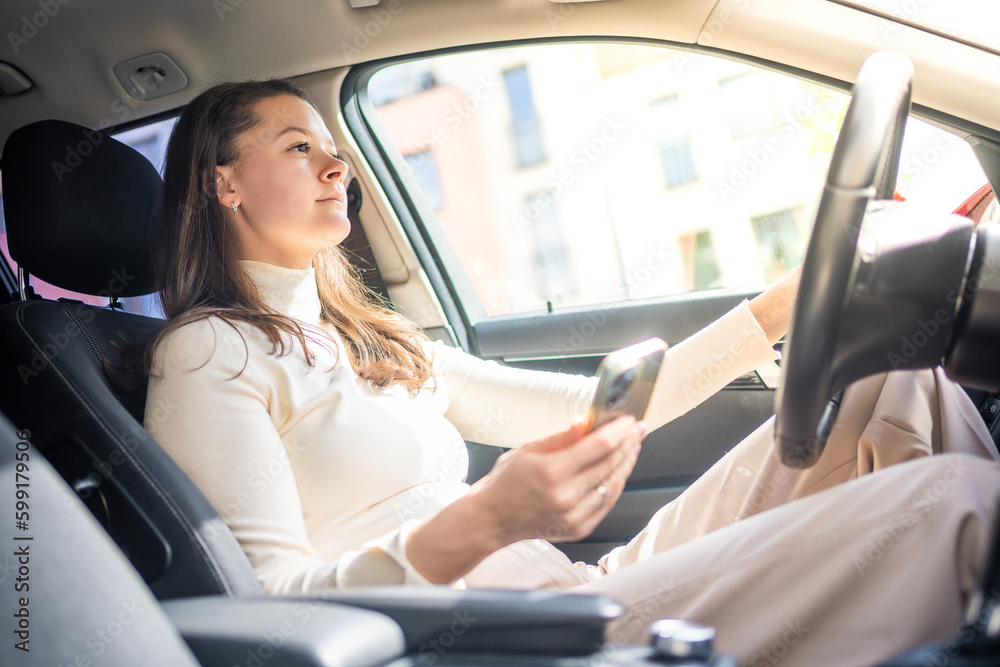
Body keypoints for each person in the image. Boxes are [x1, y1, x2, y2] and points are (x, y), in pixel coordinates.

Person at [141, 78, 1000, 665]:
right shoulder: (210, 353)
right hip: (527, 637)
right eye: (300, 148)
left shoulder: (372, 337)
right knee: (957, 498)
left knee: (894, 376)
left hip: (582, 582)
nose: (339, 166)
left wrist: (776, 310)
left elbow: (598, 408)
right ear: (225, 184)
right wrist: (486, 518)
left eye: (335, 147)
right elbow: (275, 611)